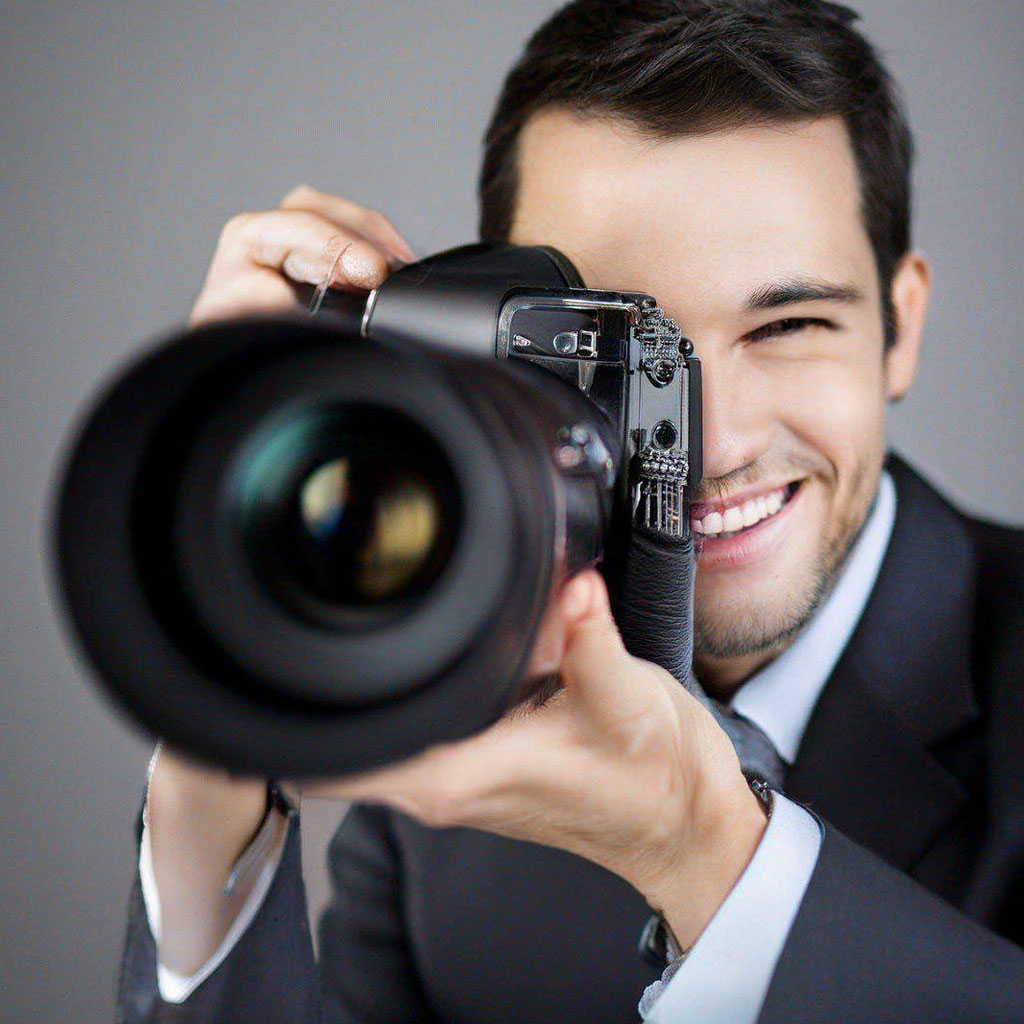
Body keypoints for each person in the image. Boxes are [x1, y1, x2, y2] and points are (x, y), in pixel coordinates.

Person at [118, 2, 1024, 1021]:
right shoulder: (455, 712)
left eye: (787, 325)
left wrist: (706, 848)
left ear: (903, 325)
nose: (710, 446)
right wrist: (224, 682)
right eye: (620, 346)